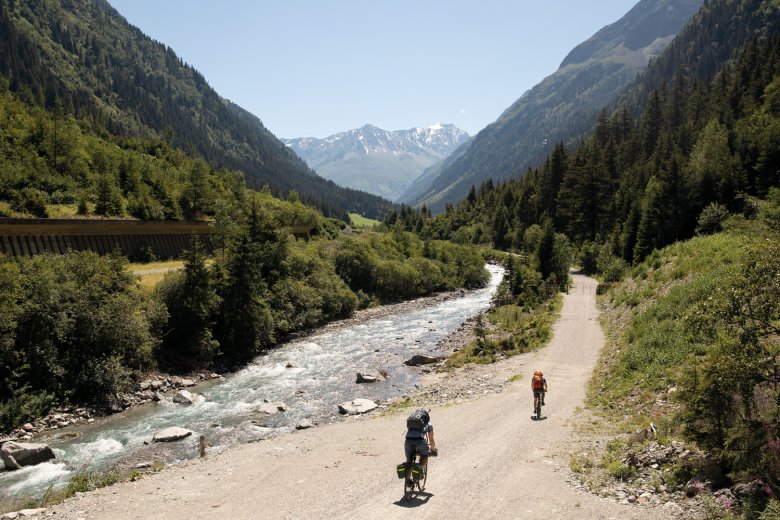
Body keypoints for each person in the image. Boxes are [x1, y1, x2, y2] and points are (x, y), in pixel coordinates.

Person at [405, 409, 437, 482]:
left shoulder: (412, 422)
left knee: (409, 461)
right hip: (420, 441)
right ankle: (419, 472)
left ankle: (407, 482)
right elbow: (431, 439)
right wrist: (433, 449)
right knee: (425, 455)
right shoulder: (429, 424)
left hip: (408, 441)